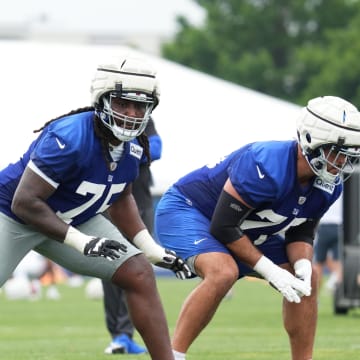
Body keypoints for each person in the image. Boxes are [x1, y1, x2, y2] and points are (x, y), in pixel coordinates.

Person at [0, 55, 191, 360]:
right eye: (123, 104)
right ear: (102, 101)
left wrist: (149, 248)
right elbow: (25, 202)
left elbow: (121, 197)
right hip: (13, 215)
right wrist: (81, 241)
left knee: (139, 272)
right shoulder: (70, 135)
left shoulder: (135, 145)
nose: (132, 113)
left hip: (72, 218)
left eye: (140, 106)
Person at [154, 96, 360, 360]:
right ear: (311, 140)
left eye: (348, 155)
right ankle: (172, 355)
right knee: (223, 271)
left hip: (243, 229)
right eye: (336, 152)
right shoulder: (266, 163)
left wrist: (303, 265)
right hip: (190, 210)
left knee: (307, 280)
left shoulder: (329, 184)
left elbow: (301, 231)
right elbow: (224, 225)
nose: (342, 163)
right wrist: (270, 270)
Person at [102, 115, 162, 354]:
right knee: (107, 267)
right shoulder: (103, 120)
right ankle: (118, 335)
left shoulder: (143, 119)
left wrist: (125, 149)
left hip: (140, 204)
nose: (129, 110)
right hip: (107, 205)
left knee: (138, 266)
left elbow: (156, 148)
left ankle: (125, 334)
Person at [313, 195, 343, 292]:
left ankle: (315, 297)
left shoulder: (325, 190)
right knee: (338, 261)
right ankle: (338, 293)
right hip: (339, 227)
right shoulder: (343, 190)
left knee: (318, 263)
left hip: (324, 227)